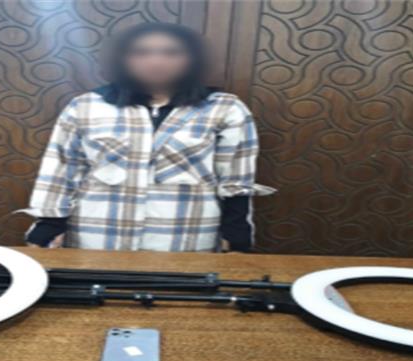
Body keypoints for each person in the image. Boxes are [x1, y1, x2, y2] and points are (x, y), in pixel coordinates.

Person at [20, 22, 275, 252]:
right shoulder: (86, 106)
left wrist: (236, 235)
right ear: (123, 59)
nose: (156, 61)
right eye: (141, 53)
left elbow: (236, 180)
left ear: (192, 59)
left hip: (186, 234)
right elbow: (62, 169)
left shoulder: (224, 108)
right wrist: (49, 225)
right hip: (97, 234)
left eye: (171, 53)